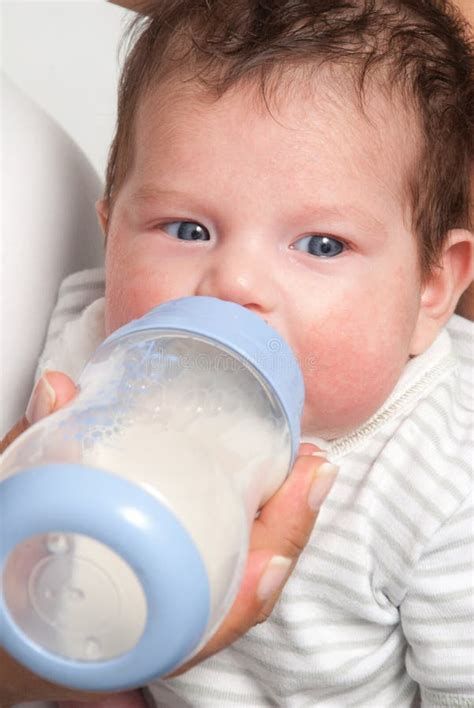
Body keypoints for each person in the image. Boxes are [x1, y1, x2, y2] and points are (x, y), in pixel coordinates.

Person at [2, 0, 473, 705]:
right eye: (186, 228)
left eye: (321, 245)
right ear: (111, 232)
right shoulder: (89, 351)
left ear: (431, 288)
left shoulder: (444, 470)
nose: (235, 283)